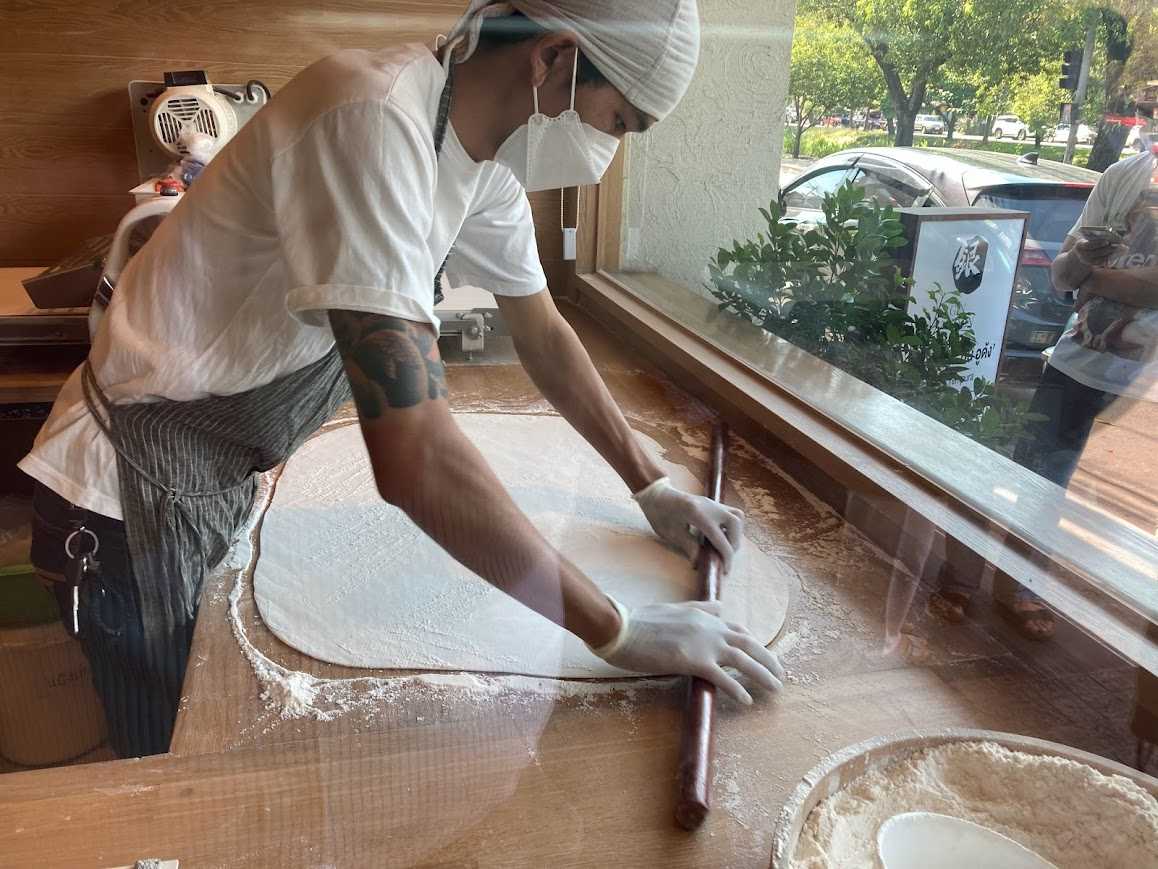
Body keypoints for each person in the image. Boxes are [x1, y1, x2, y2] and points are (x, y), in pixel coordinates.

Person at [20, 0, 784, 759]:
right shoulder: (372, 122)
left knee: (206, 738)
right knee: (173, 774)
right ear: (553, 58)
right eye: (618, 123)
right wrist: (616, 628)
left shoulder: (479, 163)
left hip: (202, 473)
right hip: (120, 497)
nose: (606, 152)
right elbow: (415, 457)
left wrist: (651, 485)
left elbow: (544, 333)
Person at [929, 142, 1157, 642]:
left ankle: (1017, 587)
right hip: (1075, 365)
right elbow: (1062, 276)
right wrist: (1087, 265)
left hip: (1144, 388)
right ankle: (1003, 583)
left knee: (1101, 503)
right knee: (1036, 482)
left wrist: (1095, 278)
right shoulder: (1124, 174)